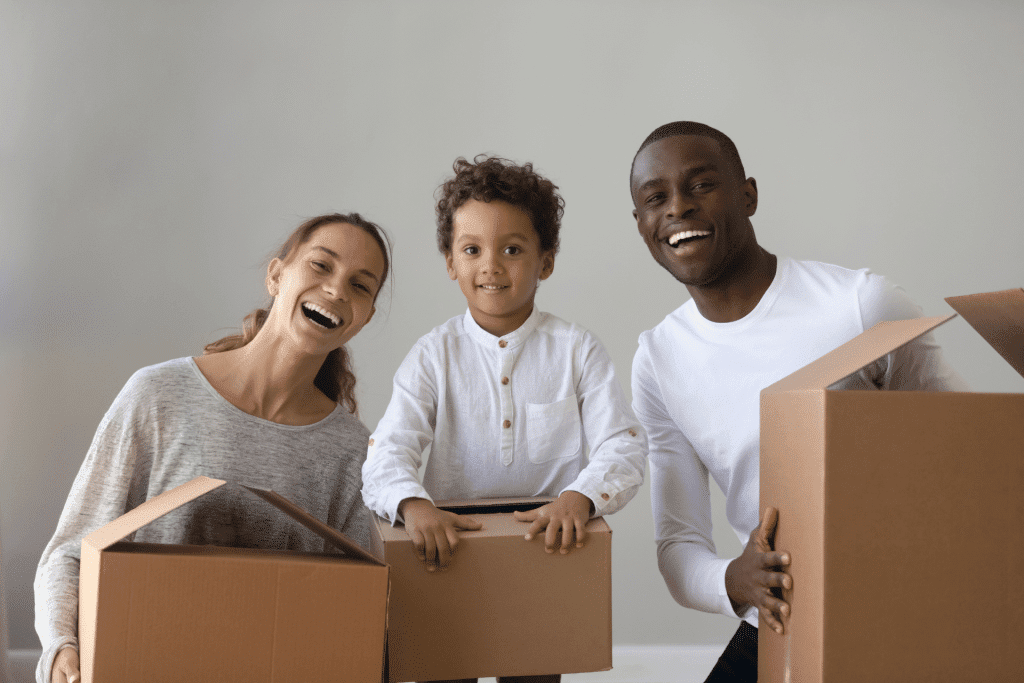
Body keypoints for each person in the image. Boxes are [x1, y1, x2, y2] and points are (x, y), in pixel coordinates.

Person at [628, 121, 967, 682]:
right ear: (640, 224)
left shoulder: (861, 305)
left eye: (701, 185)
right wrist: (733, 581)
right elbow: (679, 543)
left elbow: (971, 450)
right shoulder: (659, 359)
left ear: (748, 195)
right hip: (783, 614)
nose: (678, 208)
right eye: (655, 198)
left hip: (908, 607)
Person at [34, 213, 392, 683]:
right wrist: (63, 649)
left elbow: (354, 603)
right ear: (277, 274)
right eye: (321, 266)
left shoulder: (350, 451)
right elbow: (71, 551)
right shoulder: (158, 394)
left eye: (360, 286)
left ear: (363, 319)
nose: (337, 290)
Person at [361, 155, 647, 683]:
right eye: (472, 249)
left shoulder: (576, 350)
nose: (491, 265)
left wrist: (579, 498)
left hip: (546, 547)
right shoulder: (433, 355)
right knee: (448, 666)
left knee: (534, 671)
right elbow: (387, 451)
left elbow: (624, 447)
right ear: (450, 261)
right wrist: (412, 504)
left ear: (546, 261)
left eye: (512, 249)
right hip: (448, 550)